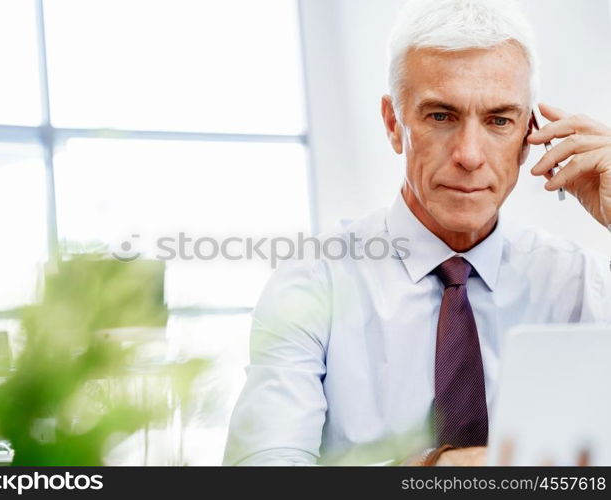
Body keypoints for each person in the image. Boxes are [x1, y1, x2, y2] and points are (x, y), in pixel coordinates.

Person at [223, 0, 611, 466]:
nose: (469, 154)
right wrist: (431, 471)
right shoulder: (312, 284)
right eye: (441, 116)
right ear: (393, 124)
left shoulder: (581, 284)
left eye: (499, 120)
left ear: (530, 134)